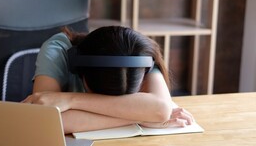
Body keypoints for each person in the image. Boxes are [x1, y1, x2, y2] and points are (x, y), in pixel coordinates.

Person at [23, 26, 194, 134]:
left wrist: (71, 100)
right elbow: (47, 121)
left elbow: (161, 109)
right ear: (80, 73)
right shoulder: (58, 49)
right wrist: (140, 116)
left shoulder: (139, 57)